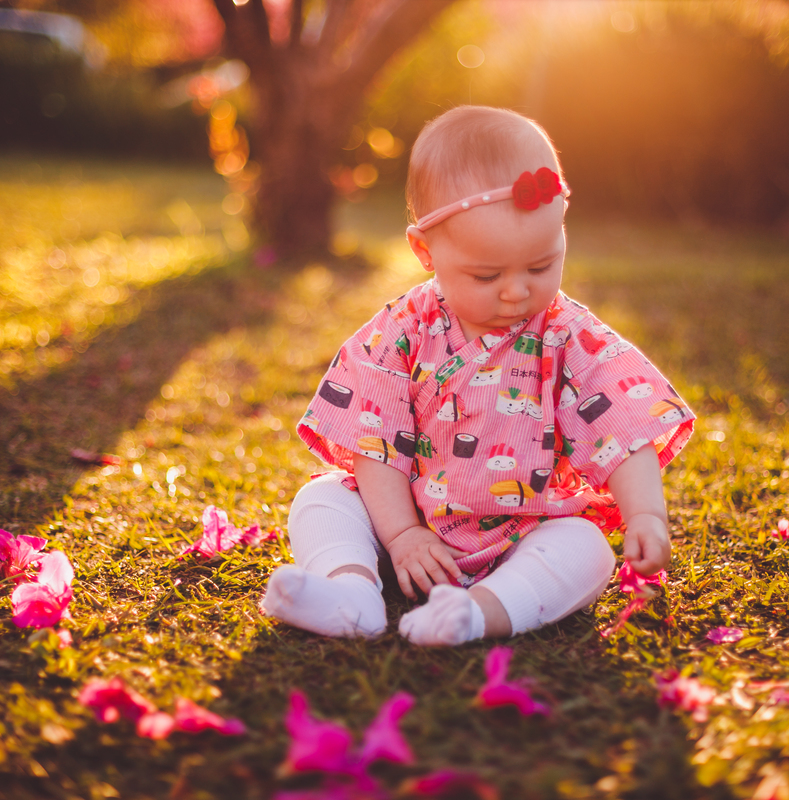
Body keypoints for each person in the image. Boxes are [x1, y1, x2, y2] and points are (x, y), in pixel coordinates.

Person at [261, 106, 695, 646]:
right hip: (412, 517)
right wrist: (400, 535)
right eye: (487, 275)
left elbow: (622, 427)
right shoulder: (403, 330)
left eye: (541, 265)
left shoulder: (568, 334)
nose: (517, 291)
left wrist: (646, 514)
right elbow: (374, 441)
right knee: (323, 500)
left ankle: (479, 613)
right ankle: (351, 592)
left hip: (527, 530)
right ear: (425, 250)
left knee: (585, 548)